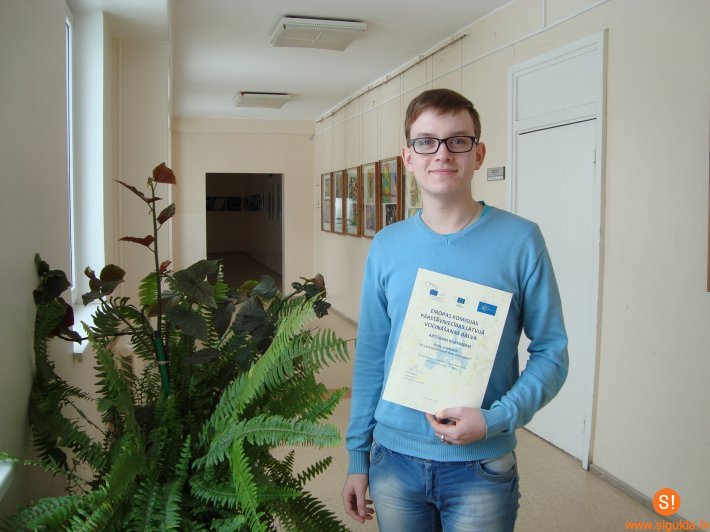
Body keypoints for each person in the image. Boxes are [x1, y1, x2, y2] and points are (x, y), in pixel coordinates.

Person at [341, 88, 569, 531]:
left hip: (480, 468)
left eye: (458, 141)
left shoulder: (521, 241)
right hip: (393, 460)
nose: (442, 154)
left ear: (478, 154)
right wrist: (357, 455)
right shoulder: (387, 246)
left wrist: (496, 418)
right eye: (426, 141)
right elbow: (371, 356)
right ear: (408, 157)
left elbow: (552, 352)